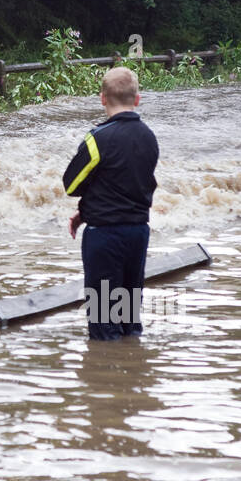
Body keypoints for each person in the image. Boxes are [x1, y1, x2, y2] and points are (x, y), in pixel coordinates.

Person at [62, 66, 159, 340]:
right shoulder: (148, 137)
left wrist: (85, 209)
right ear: (137, 99)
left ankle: (106, 376)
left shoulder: (97, 139)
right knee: (129, 319)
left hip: (105, 236)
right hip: (138, 232)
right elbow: (133, 182)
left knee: (104, 321)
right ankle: (132, 367)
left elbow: (71, 185)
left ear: (103, 98)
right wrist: (85, 211)